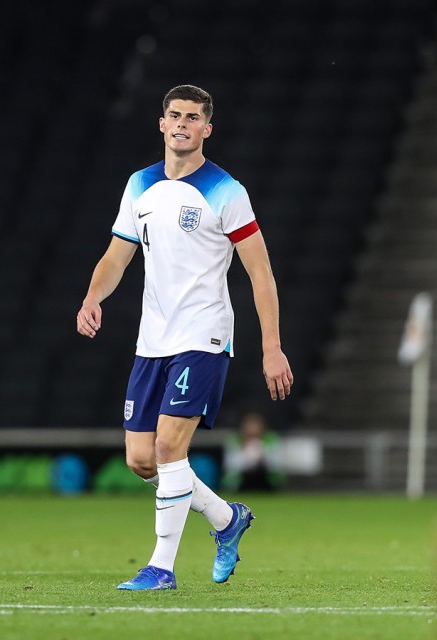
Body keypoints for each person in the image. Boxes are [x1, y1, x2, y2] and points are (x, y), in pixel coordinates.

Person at [76, 84, 294, 591]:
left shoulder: (226, 191)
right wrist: (93, 298)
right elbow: (116, 256)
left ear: (206, 129)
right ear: (161, 122)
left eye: (192, 118)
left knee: (171, 448)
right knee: (141, 460)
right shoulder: (139, 186)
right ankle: (226, 519)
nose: (181, 124)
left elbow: (261, 274)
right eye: (174, 115)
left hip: (205, 333)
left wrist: (271, 347)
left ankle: (161, 568)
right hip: (152, 339)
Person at [221, 412, 285, 492]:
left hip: (265, 478)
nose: (252, 430)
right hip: (241, 479)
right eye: (249, 426)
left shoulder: (271, 438)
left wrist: (262, 457)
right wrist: (245, 456)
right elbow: (230, 465)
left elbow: (277, 464)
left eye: (256, 426)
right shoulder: (234, 440)